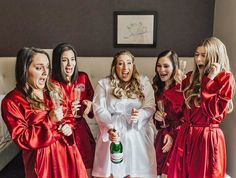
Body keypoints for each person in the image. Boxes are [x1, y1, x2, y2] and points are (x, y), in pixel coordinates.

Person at [1, 47, 87, 178]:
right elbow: (23, 139)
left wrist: (68, 126)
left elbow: (69, 116)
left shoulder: (54, 89)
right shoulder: (12, 101)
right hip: (43, 165)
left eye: (47, 67)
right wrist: (50, 120)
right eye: (39, 68)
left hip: (69, 156)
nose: (46, 73)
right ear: (24, 70)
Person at [167, 37, 235, 178]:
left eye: (203, 55)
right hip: (185, 135)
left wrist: (209, 80)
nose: (198, 59)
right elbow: (178, 110)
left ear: (215, 56)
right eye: (197, 54)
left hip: (206, 138)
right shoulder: (192, 77)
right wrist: (179, 86)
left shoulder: (224, 79)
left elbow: (213, 111)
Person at [92, 50, 157, 178]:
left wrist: (140, 114)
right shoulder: (104, 83)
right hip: (113, 132)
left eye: (128, 63)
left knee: (136, 173)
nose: (125, 67)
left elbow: (150, 106)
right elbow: (99, 109)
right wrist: (109, 129)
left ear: (133, 65)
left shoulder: (144, 82)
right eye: (120, 63)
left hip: (137, 131)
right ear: (114, 67)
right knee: (111, 173)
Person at [52, 43, 95, 177]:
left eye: (72, 59)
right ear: (57, 62)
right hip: (63, 131)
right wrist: (67, 111)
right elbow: (50, 111)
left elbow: (92, 100)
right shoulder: (52, 83)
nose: (70, 64)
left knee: (87, 166)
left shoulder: (83, 77)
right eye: (64, 60)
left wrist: (90, 107)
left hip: (81, 128)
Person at [152, 50, 183, 178]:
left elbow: (187, 117)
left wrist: (172, 135)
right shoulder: (156, 89)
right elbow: (156, 121)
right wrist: (156, 117)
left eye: (166, 66)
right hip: (162, 136)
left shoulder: (183, 88)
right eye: (159, 66)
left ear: (175, 67)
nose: (161, 70)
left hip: (179, 136)